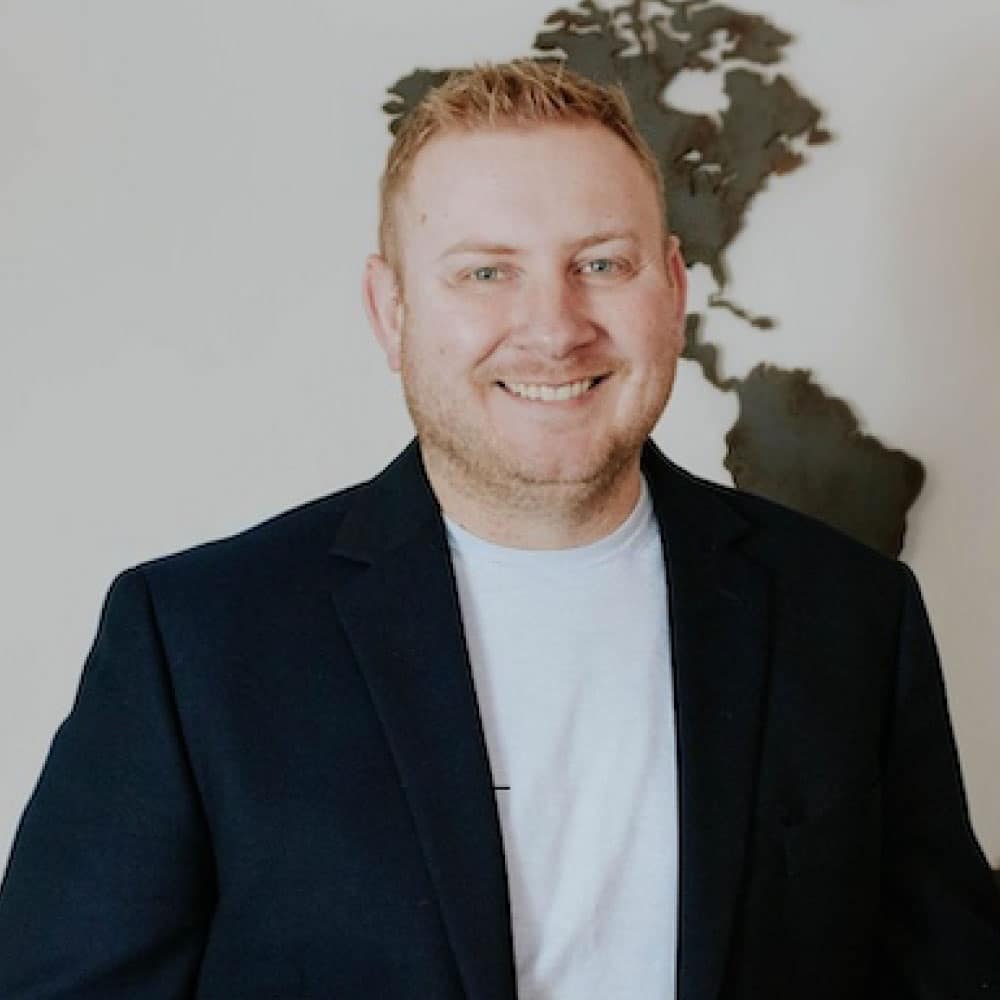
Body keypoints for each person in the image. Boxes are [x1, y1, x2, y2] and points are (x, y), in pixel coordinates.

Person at [0, 59, 998, 1000]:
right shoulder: (194, 639)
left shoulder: (852, 614)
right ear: (389, 311)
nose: (555, 328)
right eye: (485, 273)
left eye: (600, 263)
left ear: (672, 290)